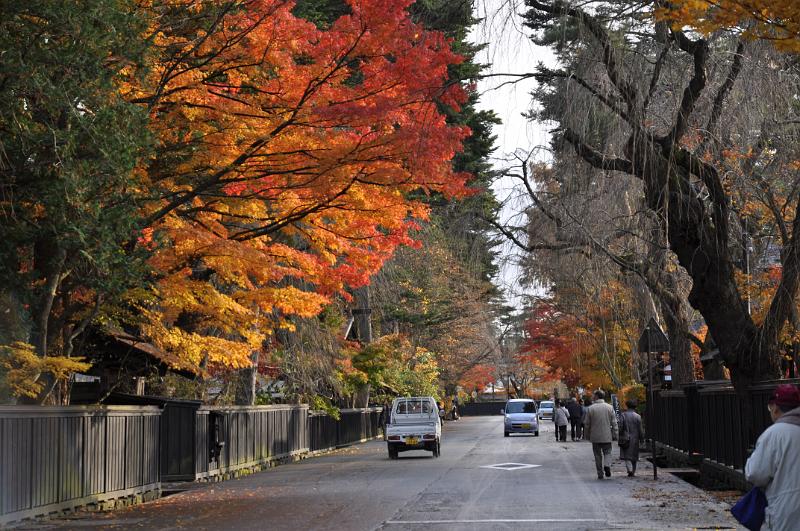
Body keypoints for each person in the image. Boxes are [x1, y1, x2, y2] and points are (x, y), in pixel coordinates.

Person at [744, 384, 800, 530]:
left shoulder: (774, 434)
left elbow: (755, 474)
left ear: (775, 407)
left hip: (785, 510)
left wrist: (750, 461)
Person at [583, 389, 618, 479]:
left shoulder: (591, 408)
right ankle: (607, 465)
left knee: (597, 455)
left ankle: (600, 473)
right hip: (607, 435)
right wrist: (615, 434)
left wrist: (587, 435)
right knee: (608, 452)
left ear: (597, 396)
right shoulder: (609, 407)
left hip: (595, 436)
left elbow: (587, 424)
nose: (592, 397)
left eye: (594, 395)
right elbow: (614, 423)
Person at [618, 399, 644, 476]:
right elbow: (640, 429)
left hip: (625, 438)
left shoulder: (623, 415)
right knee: (634, 456)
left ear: (627, 406)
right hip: (635, 438)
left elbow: (620, 427)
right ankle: (633, 471)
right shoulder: (638, 416)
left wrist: (619, 434)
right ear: (635, 407)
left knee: (626, 455)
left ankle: (629, 469)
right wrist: (642, 439)